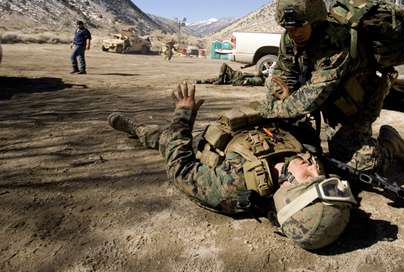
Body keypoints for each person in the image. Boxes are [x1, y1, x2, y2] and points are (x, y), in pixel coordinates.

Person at [108, 81, 361, 250]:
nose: (317, 168)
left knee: (162, 139)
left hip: (208, 142)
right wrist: (288, 105)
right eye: (324, 177)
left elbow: (179, 167)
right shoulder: (310, 161)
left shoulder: (231, 187)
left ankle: (135, 129)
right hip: (253, 126)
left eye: (311, 178)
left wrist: (182, 116)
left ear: (288, 187)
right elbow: (299, 131)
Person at [261, 0, 404, 173]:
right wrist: (272, 102)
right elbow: (283, 74)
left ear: (314, 19)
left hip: (353, 105)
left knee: (356, 166)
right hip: (327, 100)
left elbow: (312, 96)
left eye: (299, 26)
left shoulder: (336, 42)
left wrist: (272, 112)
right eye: (288, 28)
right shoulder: (290, 38)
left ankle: (391, 145)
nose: (294, 33)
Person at [195, 63, 265, 86]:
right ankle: (202, 81)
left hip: (235, 76)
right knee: (216, 79)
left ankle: (220, 80)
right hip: (235, 76)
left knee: (224, 65)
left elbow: (247, 81)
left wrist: (244, 80)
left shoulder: (257, 79)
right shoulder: (256, 77)